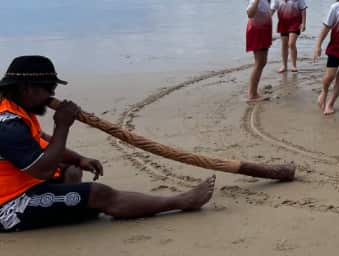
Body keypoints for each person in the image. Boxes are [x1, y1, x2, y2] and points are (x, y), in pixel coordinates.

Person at [0, 56, 214, 232]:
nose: (52, 95)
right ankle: (180, 202)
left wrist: (79, 159)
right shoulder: (8, 126)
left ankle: (76, 209)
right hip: (9, 206)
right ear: (27, 89)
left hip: (24, 184)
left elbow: (43, 140)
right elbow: (43, 170)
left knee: (72, 172)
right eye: (49, 89)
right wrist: (62, 126)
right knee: (99, 194)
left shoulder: (16, 109)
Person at [245, 0, 274, 102]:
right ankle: (252, 94)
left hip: (263, 30)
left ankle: (253, 91)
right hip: (257, 31)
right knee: (259, 63)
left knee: (262, 62)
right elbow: (250, 13)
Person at [271, 0, 307, 74]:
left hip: (295, 24)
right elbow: (272, 11)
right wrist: (266, 21)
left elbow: (303, 10)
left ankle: (294, 65)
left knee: (291, 43)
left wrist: (303, 23)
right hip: (283, 24)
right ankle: (284, 65)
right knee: (284, 45)